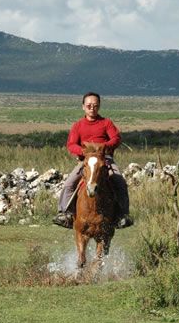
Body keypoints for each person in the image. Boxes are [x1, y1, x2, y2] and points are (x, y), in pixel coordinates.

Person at [53, 92, 133, 229]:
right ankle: (64, 213)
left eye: (95, 106)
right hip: (85, 161)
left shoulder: (106, 123)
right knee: (69, 183)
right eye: (89, 105)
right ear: (83, 107)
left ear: (99, 107)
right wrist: (83, 152)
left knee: (119, 181)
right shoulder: (78, 125)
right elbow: (71, 144)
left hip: (104, 160)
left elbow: (116, 138)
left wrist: (104, 147)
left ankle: (122, 215)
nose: (92, 108)